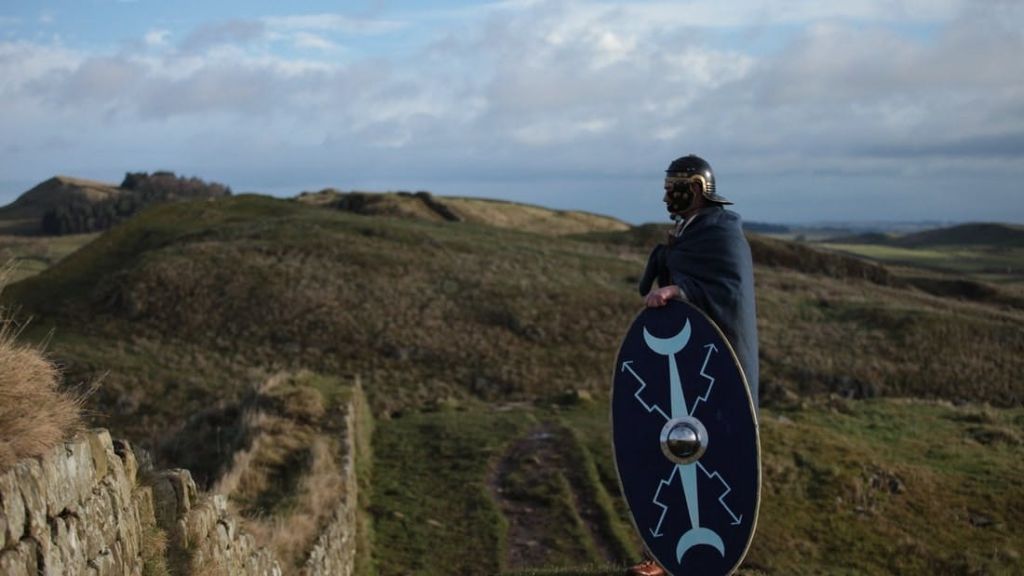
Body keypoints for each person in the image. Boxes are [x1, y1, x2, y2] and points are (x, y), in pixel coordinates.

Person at [626, 154, 760, 576]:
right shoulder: (689, 231)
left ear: (697, 189)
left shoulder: (722, 233)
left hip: (717, 364)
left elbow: (727, 289)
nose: (667, 194)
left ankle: (709, 554)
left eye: (674, 187)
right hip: (682, 361)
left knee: (711, 453)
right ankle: (662, 555)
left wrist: (680, 291)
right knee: (670, 446)